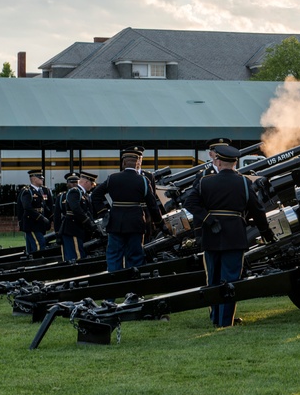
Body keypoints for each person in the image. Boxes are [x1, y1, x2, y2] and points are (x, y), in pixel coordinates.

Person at [184, 141, 275, 328]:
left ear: (218, 162)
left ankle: (215, 318)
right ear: (235, 163)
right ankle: (226, 321)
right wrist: (265, 232)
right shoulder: (243, 182)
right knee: (231, 279)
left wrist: (208, 219)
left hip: (211, 235)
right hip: (234, 235)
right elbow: (257, 209)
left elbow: (189, 203)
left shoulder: (204, 181)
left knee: (214, 279)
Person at [91, 149, 164, 272]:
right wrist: (160, 223)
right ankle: (132, 280)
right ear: (137, 164)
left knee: (114, 255)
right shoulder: (143, 180)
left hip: (115, 222)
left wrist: (104, 212)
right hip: (135, 223)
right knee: (135, 254)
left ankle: (114, 280)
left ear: (123, 163)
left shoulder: (112, 178)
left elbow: (95, 196)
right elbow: (152, 205)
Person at [61, 171, 98, 261]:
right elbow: (76, 210)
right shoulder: (75, 192)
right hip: (73, 229)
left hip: (78, 229)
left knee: (80, 254)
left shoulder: (83, 194)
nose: (92, 186)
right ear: (86, 182)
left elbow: (88, 212)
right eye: (92, 184)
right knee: (76, 257)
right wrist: (89, 223)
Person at [17, 169, 53, 254]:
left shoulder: (43, 190)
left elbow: (46, 207)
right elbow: (27, 208)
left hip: (40, 225)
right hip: (32, 224)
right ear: (33, 179)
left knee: (31, 248)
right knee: (39, 246)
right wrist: (41, 218)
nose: (42, 179)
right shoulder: (27, 191)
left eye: (42, 178)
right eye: (39, 178)